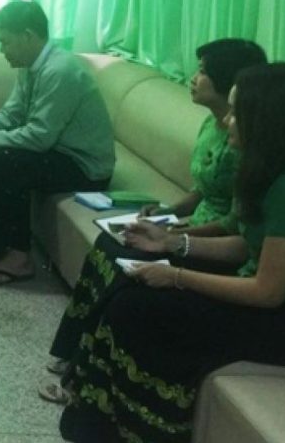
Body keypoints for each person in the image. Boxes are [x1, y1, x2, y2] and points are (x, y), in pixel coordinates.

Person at [58, 63, 285, 443]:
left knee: (136, 309)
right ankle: (102, 415)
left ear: (266, 122)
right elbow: (246, 245)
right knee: (130, 290)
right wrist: (170, 243)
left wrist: (177, 276)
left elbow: (268, 291)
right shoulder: (269, 170)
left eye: (237, 113)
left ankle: (140, 429)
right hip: (274, 301)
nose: (227, 121)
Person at [40, 39, 267, 402]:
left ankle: (85, 376)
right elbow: (203, 189)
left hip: (212, 241)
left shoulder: (248, 147)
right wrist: (167, 213)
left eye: (203, 72)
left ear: (227, 81)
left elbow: (235, 225)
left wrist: (174, 236)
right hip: (189, 228)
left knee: (128, 267)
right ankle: (76, 351)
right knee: (109, 243)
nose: (192, 79)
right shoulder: (212, 125)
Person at [0, 0, 115, 285]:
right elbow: (11, 116)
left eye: (5, 41)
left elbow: (39, 137)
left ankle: (19, 258)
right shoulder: (30, 67)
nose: (2, 49)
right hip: (55, 150)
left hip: (84, 167)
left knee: (6, 162)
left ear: (28, 36)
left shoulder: (60, 71)